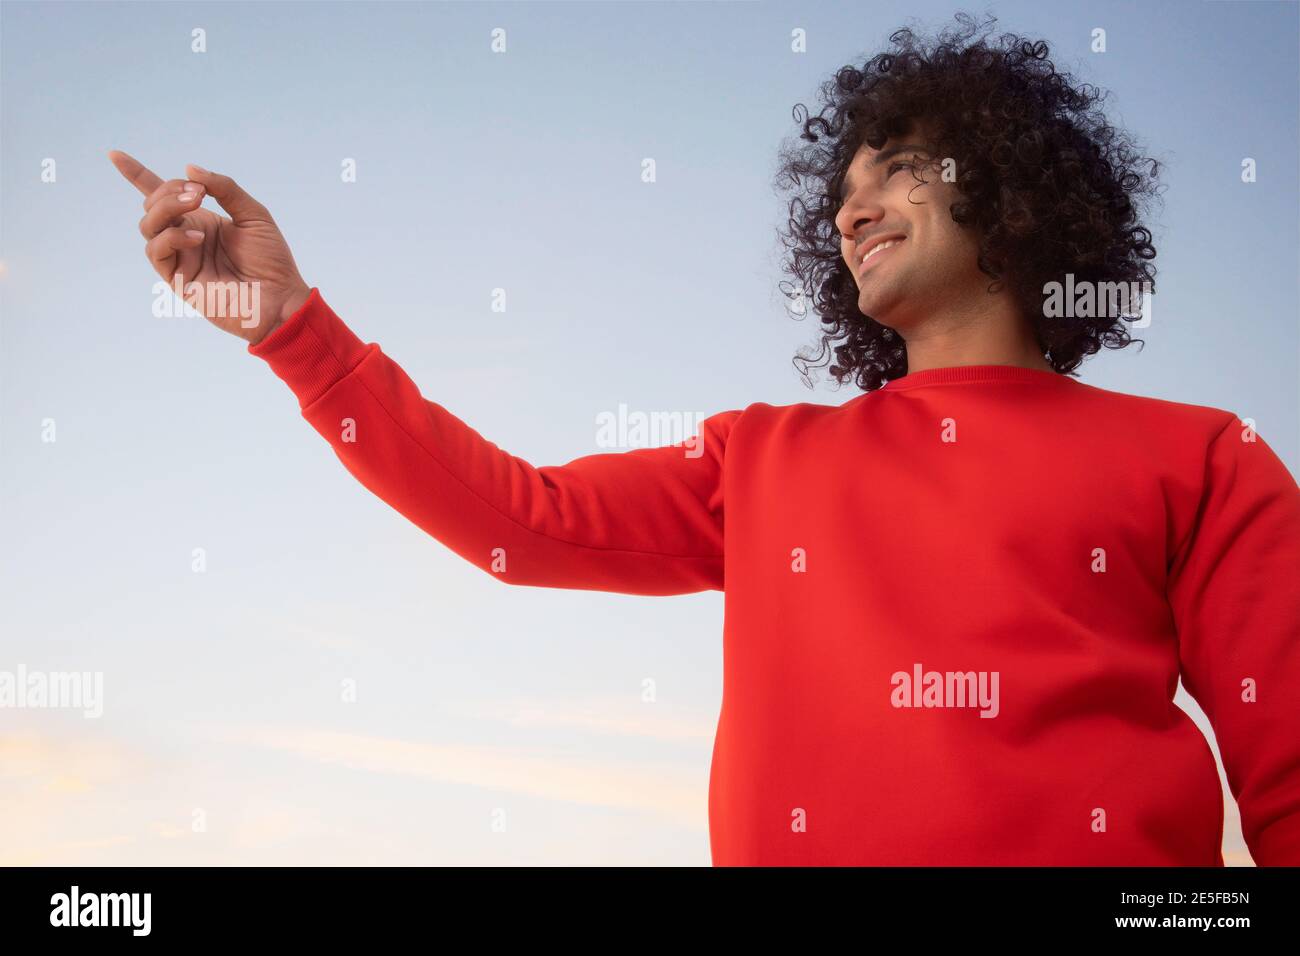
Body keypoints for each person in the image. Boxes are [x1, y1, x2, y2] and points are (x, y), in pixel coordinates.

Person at [109, 16, 1299, 866]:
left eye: (897, 167)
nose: (850, 206)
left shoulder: (1200, 457)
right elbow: (519, 520)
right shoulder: (762, 458)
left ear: (1011, 183)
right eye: (841, 187)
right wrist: (292, 331)